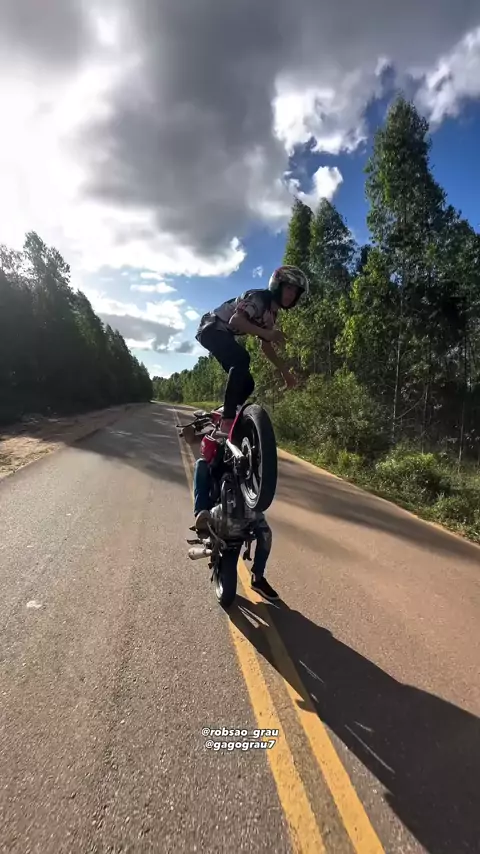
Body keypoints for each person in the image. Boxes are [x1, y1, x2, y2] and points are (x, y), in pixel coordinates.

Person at [195, 265, 309, 434]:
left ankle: (219, 416)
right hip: (210, 327)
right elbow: (236, 321)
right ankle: (228, 419)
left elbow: (266, 346)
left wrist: (285, 372)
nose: (291, 294)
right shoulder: (258, 298)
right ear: (277, 285)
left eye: (296, 291)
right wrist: (267, 333)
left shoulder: (271, 315)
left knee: (248, 384)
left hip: (222, 333)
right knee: (241, 359)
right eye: (288, 288)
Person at [193, 454, 277, 600]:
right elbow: (204, 448)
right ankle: (201, 514)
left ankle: (257, 577)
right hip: (220, 492)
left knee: (265, 535)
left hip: (246, 504)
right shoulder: (218, 442)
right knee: (201, 464)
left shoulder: (253, 446)